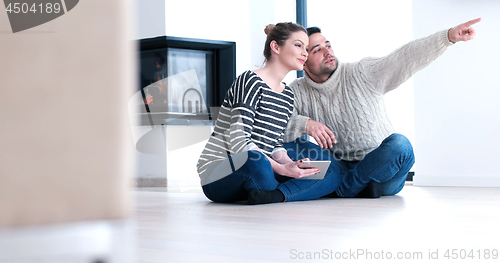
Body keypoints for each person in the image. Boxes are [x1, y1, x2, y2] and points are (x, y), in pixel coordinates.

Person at [278, 18, 482, 199]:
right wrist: (305, 124)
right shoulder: (297, 91)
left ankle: (341, 188)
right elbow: (273, 125)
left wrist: (447, 37)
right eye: (317, 50)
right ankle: (354, 186)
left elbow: (404, 58)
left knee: (401, 145)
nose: (328, 52)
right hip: (339, 164)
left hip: (381, 170)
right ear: (303, 62)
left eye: (328, 45)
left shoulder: (361, 72)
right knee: (284, 147)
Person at [198, 22, 342, 204]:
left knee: (329, 172)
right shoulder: (250, 80)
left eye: (306, 48)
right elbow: (239, 141)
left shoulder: (287, 95)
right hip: (223, 172)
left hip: (264, 165)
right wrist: (282, 170)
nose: (305, 53)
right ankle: (284, 189)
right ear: (275, 47)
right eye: (298, 45)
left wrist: (290, 164)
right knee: (257, 163)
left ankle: (273, 195)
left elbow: (274, 143)